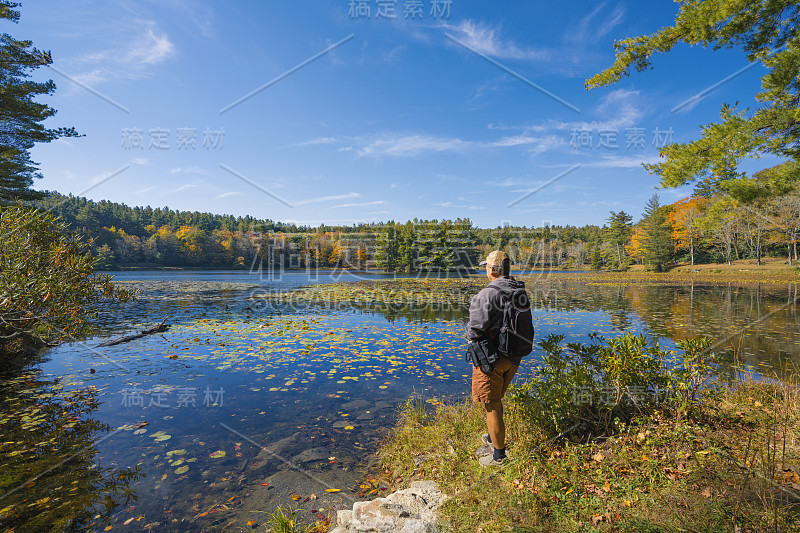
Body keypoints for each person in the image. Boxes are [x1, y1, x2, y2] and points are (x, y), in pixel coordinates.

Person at [466, 250, 524, 467]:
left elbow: (474, 329)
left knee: (492, 405)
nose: (485, 270)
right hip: (515, 356)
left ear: (491, 269)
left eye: (486, 267)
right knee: (497, 401)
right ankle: (492, 435)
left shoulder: (487, 294)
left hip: (492, 358)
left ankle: (499, 457)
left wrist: (469, 334)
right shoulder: (519, 290)